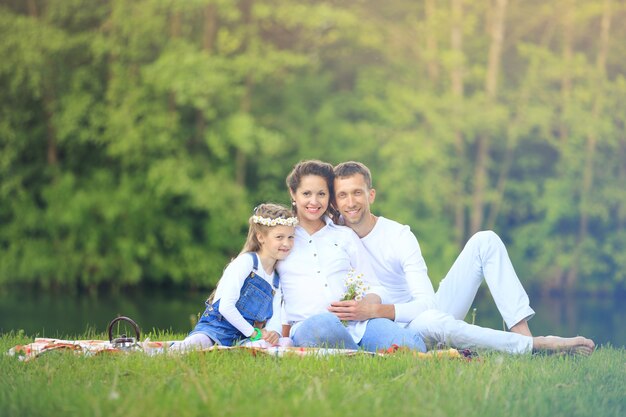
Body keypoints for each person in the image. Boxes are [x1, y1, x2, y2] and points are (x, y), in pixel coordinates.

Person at [328, 161, 595, 355]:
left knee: (485, 240)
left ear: (370, 195)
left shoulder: (399, 235)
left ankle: (524, 337)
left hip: (417, 316)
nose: (351, 202)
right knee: (435, 323)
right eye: (343, 195)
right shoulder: (334, 237)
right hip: (393, 332)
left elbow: (426, 303)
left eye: (357, 193)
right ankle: (535, 346)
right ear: (335, 201)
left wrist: (377, 311)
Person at [276, 160, 426, 352]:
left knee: (412, 346)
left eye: (321, 194)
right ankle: (363, 355)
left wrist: (366, 304)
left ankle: (355, 352)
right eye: (306, 194)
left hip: (358, 325)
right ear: (293, 193)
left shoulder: (344, 235)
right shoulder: (282, 238)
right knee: (325, 324)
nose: (314, 201)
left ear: (329, 198)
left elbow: (376, 287)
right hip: (309, 325)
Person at [171, 203, 297, 351]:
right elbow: (226, 307)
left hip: (244, 337)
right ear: (261, 237)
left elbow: (276, 316)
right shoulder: (247, 262)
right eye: (279, 237)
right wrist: (253, 333)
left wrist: (274, 333)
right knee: (198, 343)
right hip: (217, 328)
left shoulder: (276, 279)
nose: (286, 243)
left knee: (285, 343)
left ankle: (242, 348)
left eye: (290, 237)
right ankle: (161, 351)